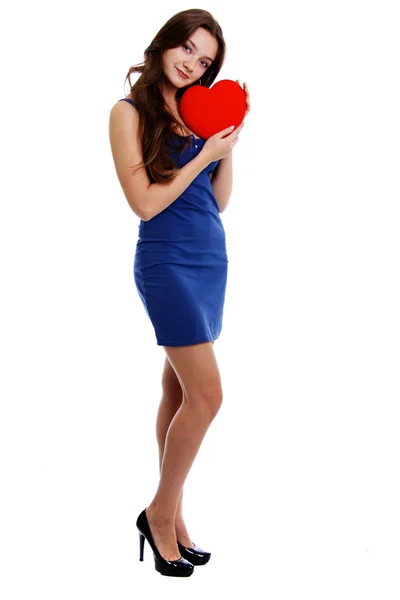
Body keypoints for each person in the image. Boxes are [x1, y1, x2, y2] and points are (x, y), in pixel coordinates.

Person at [109, 8, 250, 577]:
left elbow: (217, 202)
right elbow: (143, 202)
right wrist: (204, 158)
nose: (193, 64)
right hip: (165, 261)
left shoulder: (194, 108)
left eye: (206, 61)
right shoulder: (127, 112)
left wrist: (226, 146)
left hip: (209, 257)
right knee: (209, 395)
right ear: (166, 43)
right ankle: (158, 514)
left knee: (181, 390)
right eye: (188, 49)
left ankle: (176, 513)